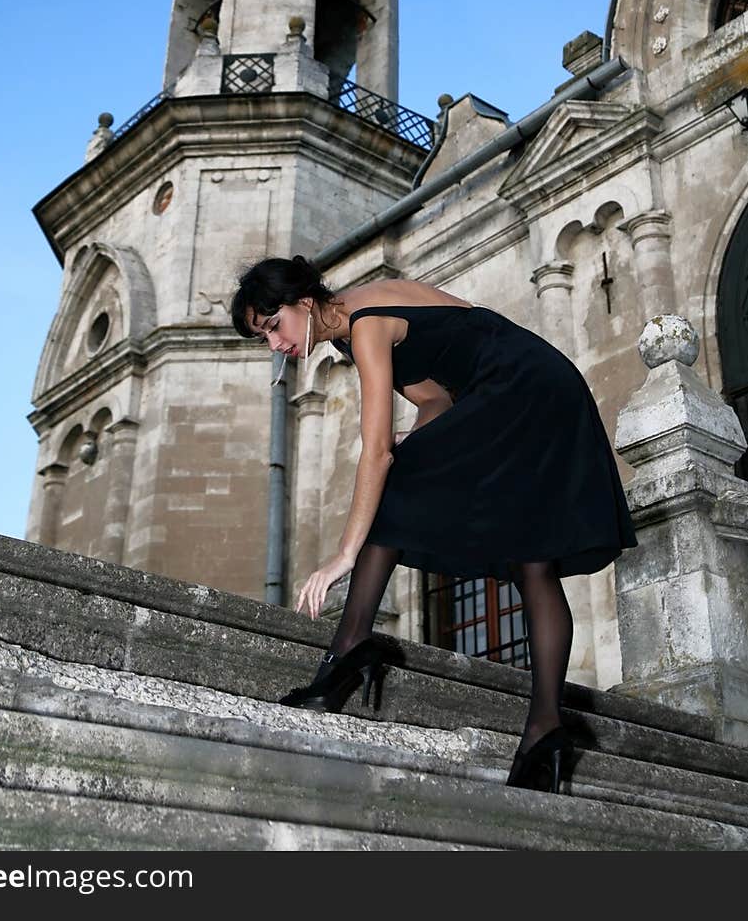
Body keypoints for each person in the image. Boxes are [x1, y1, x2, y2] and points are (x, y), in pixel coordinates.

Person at [230, 254, 639, 792]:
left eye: (273, 327)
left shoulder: (365, 322)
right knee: (532, 559)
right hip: (531, 386)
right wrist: (415, 443)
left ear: (303, 303)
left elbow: (375, 452)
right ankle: (545, 730)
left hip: (519, 389)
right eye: (263, 338)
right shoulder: (350, 326)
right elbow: (435, 400)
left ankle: (348, 651)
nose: (275, 346)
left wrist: (344, 556)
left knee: (393, 488)